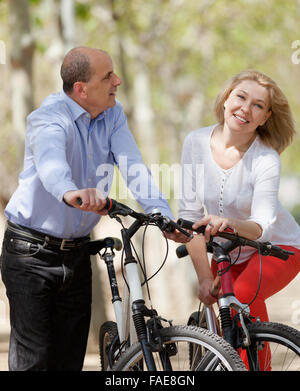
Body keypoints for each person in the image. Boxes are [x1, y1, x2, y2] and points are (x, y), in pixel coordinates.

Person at [0, 47, 187, 371]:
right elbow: (51, 164)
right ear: (81, 89)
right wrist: (71, 192)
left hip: (77, 254)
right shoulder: (49, 117)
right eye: (107, 77)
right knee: (35, 361)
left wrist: (161, 214)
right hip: (30, 253)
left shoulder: (113, 115)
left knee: (69, 360)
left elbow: (134, 168)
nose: (118, 80)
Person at [179, 69, 300, 359]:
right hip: (227, 251)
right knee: (224, 323)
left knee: (241, 299)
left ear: (266, 117)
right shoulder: (195, 143)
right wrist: (203, 278)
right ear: (225, 99)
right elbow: (189, 218)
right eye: (241, 97)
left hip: (278, 248)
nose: (246, 108)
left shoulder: (266, 158)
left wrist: (229, 223)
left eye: (258, 105)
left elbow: (262, 228)